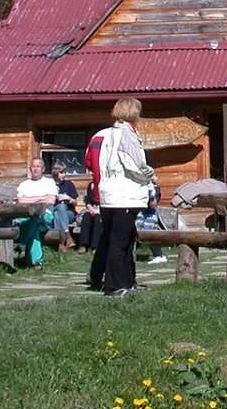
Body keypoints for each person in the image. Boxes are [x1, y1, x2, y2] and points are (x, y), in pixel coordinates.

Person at [87, 97, 155, 297]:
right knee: (121, 243)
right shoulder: (127, 135)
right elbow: (134, 164)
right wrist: (150, 175)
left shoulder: (100, 135)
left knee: (115, 240)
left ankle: (126, 281)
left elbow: (90, 162)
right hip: (125, 195)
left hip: (107, 194)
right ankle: (115, 285)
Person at [14, 157, 58, 268]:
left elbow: (51, 200)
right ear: (30, 169)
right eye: (33, 166)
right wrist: (41, 198)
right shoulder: (24, 184)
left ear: (43, 169)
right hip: (25, 216)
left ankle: (21, 243)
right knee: (34, 229)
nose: (36, 169)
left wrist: (29, 199)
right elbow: (20, 201)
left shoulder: (49, 182)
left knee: (36, 218)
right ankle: (37, 262)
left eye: (38, 166)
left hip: (45, 216)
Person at [48, 163, 79, 251]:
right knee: (58, 213)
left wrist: (68, 198)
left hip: (69, 214)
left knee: (61, 208)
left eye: (65, 172)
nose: (64, 175)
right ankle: (66, 239)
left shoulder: (69, 184)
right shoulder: (50, 185)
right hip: (53, 213)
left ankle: (61, 242)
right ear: (56, 173)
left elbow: (75, 203)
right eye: (61, 172)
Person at [136, 182, 168, 264]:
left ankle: (159, 255)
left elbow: (154, 203)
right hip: (141, 213)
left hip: (149, 219)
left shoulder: (153, 187)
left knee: (152, 233)